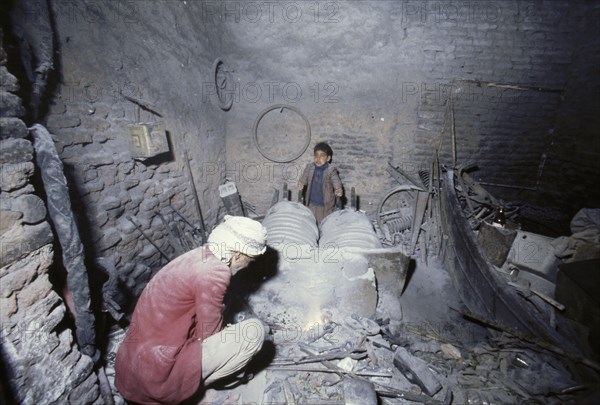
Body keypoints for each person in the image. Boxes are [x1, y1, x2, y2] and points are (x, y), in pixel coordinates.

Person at [115, 215, 269, 405]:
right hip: (159, 375)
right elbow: (208, 332)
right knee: (254, 331)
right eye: (251, 260)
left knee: (226, 310)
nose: (248, 266)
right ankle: (195, 389)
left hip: (132, 368)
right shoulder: (215, 273)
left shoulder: (200, 255)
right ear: (238, 254)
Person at [297, 142, 343, 225]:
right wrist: (301, 183)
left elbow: (336, 180)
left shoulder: (331, 170)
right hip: (311, 203)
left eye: (322, 156)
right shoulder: (310, 167)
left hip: (325, 205)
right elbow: (304, 177)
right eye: (316, 155)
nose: (318, 159)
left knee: (323, 224)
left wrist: (338, 189)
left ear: (328, 158)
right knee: (310, 223)